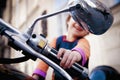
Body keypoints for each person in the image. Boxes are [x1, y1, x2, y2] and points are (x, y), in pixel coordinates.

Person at [32, 14, 90, 80]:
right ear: (68, 20)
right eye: (77, 18)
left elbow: (83, 49)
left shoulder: (84, 42)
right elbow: (44, 60)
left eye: (86, 22)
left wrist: (75, 54)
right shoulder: (56, 40)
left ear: (89, 31)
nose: (80, 24)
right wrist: (36, 76)